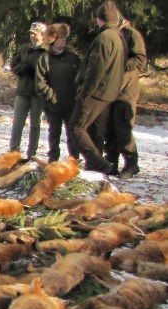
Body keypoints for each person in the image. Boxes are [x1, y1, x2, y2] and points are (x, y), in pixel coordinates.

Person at [71, 1, 125, 174]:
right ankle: (97, 165)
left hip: (96, 91)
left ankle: (99, 163)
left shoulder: (104, 38)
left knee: (76, 127)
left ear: (99, 18)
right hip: (109, 93)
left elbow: (96, 69)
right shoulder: (118, 37)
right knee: (96, 130)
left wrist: (84, 93)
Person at [102, 17, 147, 178]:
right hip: (111, 88)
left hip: (126, 90)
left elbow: (140, 60)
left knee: (123, 127)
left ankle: (131, 163)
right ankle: (111, 162)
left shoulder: (131, 34)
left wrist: (120, 64)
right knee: (110, 127)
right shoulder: (110, 35)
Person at [35, 23, 81, 163]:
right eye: (60, 38)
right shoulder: (44, 59)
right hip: (53, 105)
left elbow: (81, 77)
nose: (63, 40)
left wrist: (78, 95)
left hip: (71, 103)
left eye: (64, 38)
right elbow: (40, 82)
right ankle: (53, 159)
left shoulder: (73, 58)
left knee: (72, 133)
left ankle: (74, 160)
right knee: (54, 132)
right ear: (53, 39)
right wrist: (51, 96)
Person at [9, 22, 48, 159]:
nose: (32, 36)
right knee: (18, 122)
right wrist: (22, 68)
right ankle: (14, 149)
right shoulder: (24, 48)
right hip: (23, 90)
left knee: (35, 124)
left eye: (35, 34)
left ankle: (32, 153)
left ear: (43, 35)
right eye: (30, 33)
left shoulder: (47, 51)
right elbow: (14, 64)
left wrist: (37, 71)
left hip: (38, 93)